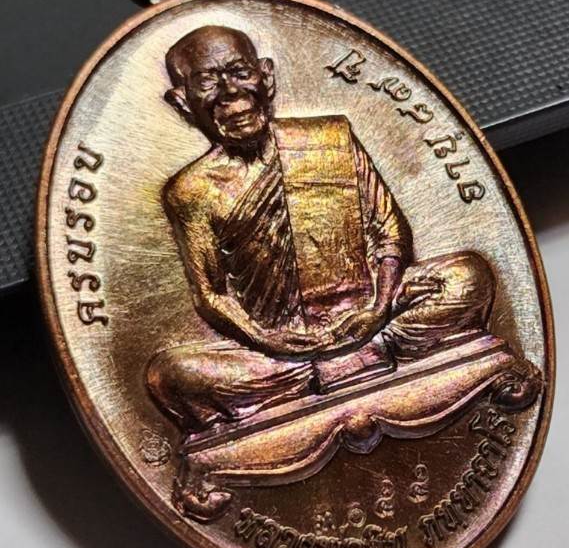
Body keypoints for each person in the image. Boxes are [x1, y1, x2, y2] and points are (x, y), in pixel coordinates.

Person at [147, 26, 495, 432]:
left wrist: (379, 306)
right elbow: (211, 293)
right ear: (183, 101)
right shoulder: (190, 191)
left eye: (240, 72)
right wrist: (267, 340)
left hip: (374, 315)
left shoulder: (329, 137)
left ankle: (325, 375)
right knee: (171, 377)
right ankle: (327, 369)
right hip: (279, 353)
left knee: (469, 276)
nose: (229, 92)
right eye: (207, 81)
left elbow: (389, 232)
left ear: (266, 76)